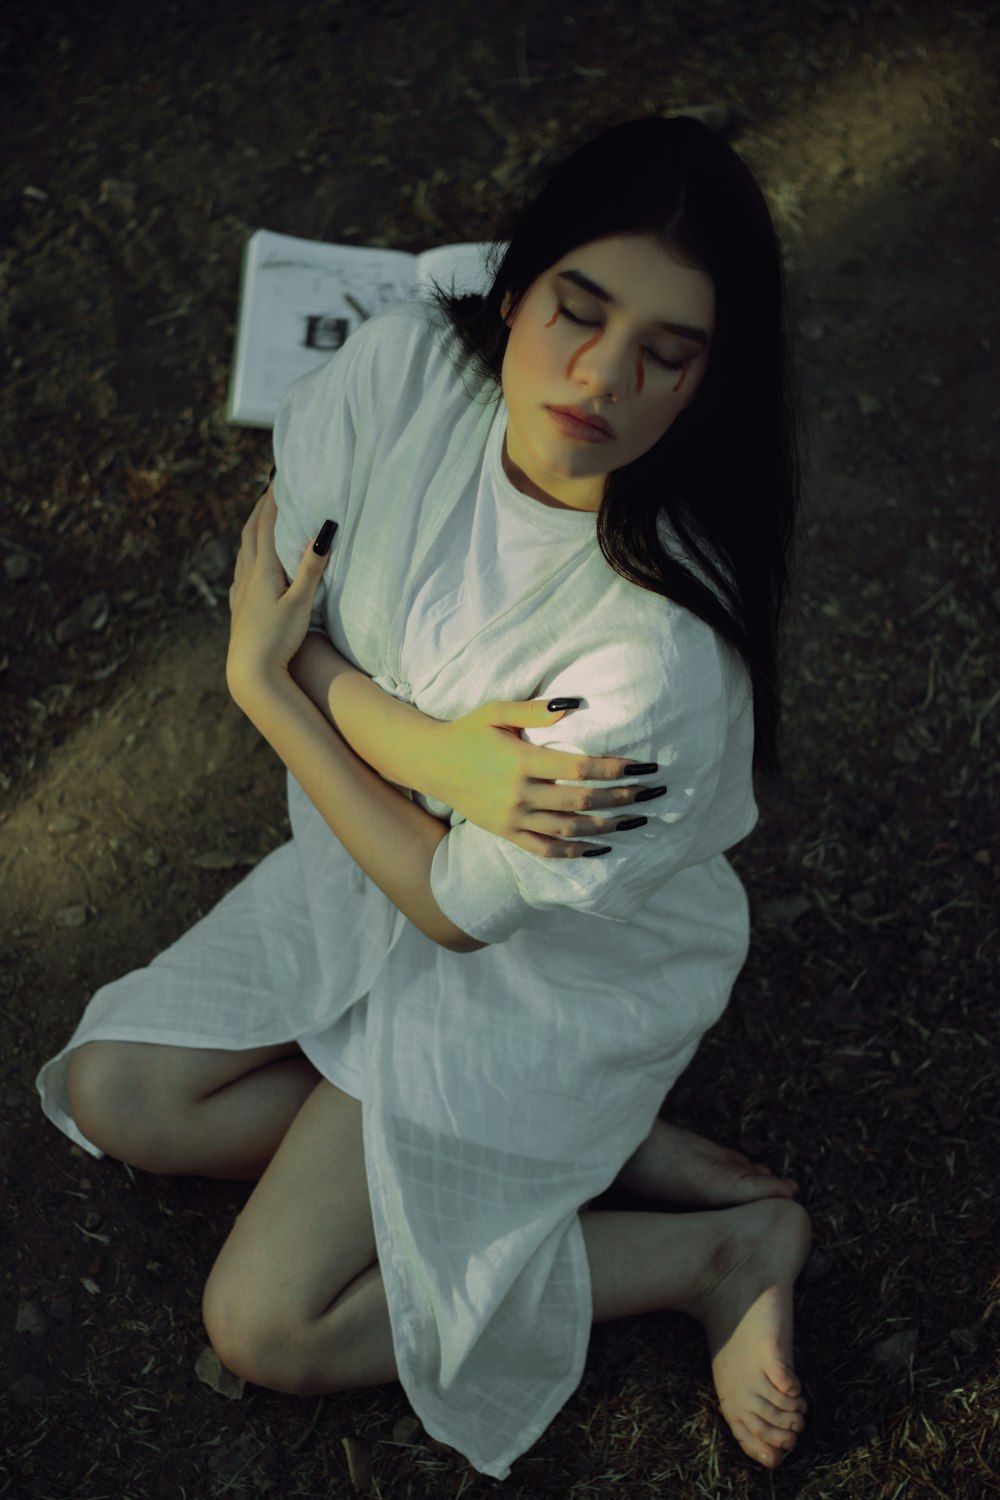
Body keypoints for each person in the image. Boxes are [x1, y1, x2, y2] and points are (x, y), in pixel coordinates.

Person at [37, 116, 810, 1478]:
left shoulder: (656, 658)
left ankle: (711, 1252)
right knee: (118, 1093)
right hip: (361, 866)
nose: (601, 376)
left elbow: (457, 907)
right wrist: (435, 750)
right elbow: (276, 564)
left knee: (266, 1322)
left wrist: (274, 691)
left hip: (538, 978)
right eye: (578, 310)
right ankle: (596, 1148)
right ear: (518, 287)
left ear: (702, 385)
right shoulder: (400, 370)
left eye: (666, 356)